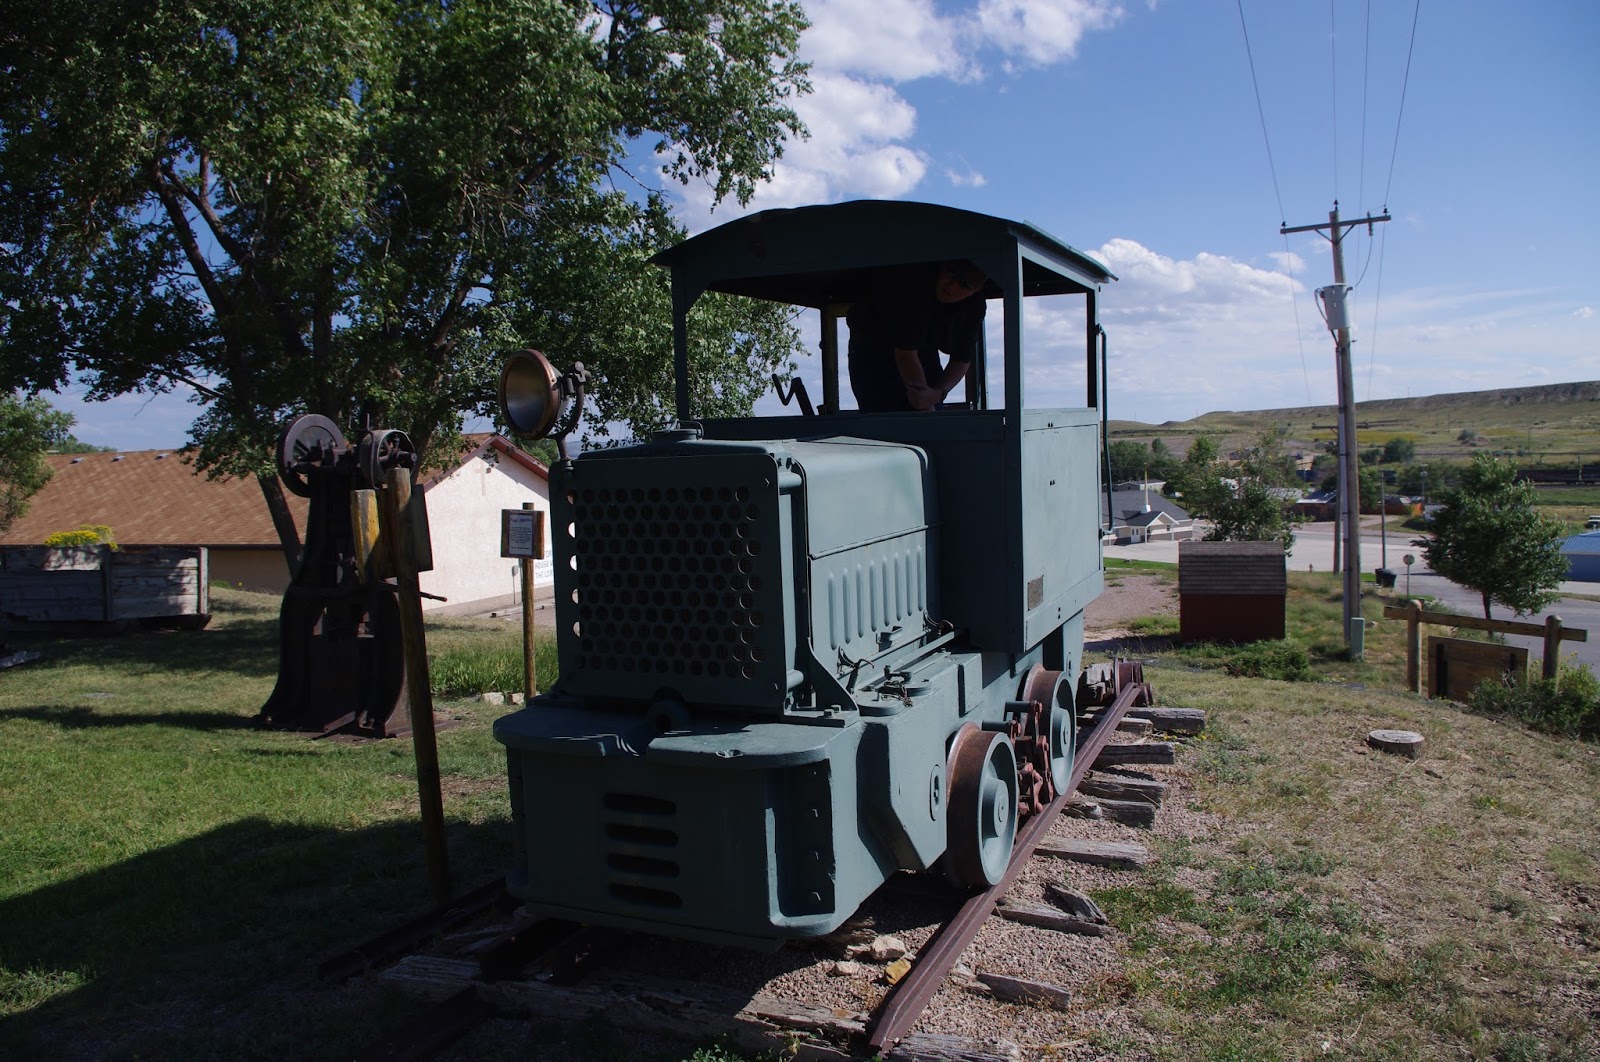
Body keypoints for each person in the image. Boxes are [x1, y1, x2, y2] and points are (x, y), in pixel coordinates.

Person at [846, 261, 987, 412]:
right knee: (882, 418)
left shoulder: (974, 306)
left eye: (964, 285)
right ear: (942, 267)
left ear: (975, 290)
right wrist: (925, 405)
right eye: (951, 273)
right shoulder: (913, 285)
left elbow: (961, 359)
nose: (952, 286)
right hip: (872, 349)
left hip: (923, 352)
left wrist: (938, 393)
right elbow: (905, 354)